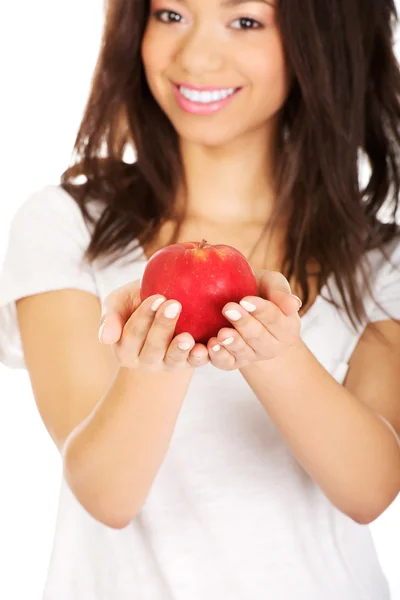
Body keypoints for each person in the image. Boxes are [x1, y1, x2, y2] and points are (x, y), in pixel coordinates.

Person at [1, 0, 400, 598]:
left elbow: (370, 492)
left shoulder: (379, 262)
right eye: (169, 15)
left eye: (245, 21)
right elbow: (106, 496)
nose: (195, 56)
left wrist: (275, 351)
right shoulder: (67, 226)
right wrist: (155, 365)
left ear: (319, 41)